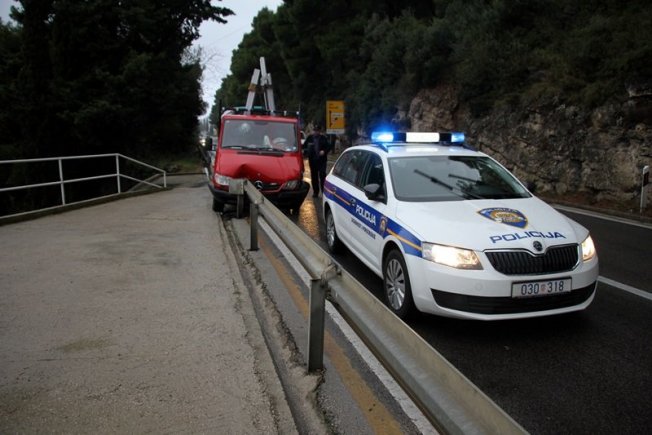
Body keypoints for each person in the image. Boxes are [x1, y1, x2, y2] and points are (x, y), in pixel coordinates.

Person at [303, 124, 331, 197]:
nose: (316, 132)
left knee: (322, 175)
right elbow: (304, 147)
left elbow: (328, 147)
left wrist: (324, 151)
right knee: (314, 176)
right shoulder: (310, 138)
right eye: (315, 130)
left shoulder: (323, 138)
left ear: (319, 131)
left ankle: (323, 191)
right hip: (312, 161)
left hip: (322, 161)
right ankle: (316, 192)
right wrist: (306, 152)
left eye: (317, 131)